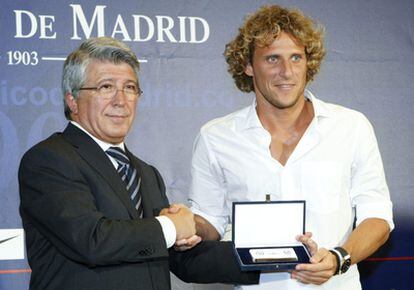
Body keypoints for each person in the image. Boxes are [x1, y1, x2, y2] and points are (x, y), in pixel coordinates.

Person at [18, 37, 261, 290]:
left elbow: (181, 260)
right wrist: (170, 226)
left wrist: (272, 259)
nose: (120, 100)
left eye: (130, 87)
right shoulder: (49, 160)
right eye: (105, 87)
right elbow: (92, 240)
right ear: (72, 100)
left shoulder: (146, 173)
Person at [187, 5, 394, 290]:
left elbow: (378, 217)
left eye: (296, 57)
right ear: (248, 66)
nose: (287, 72)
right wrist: (185, 226)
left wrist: (338, 258)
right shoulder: (216, 137)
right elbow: (210, 220)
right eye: (272, 58)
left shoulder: (351, 127)